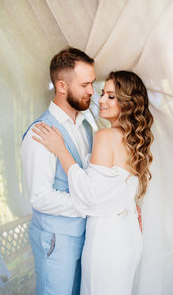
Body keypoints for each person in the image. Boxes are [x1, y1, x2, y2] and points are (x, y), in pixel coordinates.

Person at [32, 70, 154, 295]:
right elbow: (119, 188)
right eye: (102, 94)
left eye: (111, 96)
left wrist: (61, 150)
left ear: (127, 103)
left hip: (106, 240)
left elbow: (89, 196)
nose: (100, 101)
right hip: (129, 237)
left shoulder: (105, 137)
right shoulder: (133, 140)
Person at [21, 47, 96, 295]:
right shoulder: (39, 133)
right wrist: (89, 203)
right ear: (62, 86)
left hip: (85, 237)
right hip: (55, 241)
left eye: (92, 83)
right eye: (85, 84)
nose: (92, 91)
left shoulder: (86, 127)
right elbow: (40, 197)